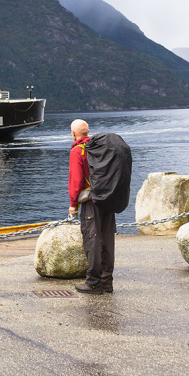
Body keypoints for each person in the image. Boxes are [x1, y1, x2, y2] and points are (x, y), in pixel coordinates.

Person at [69, 119, 115, 295]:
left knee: (92, 241)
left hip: (90, 202)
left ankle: (93, 282)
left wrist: (73, 204)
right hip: (108, 200)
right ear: (88, 132)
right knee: (107, 241)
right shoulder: (101, 148)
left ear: (74, 134)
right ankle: (106, 282)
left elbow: (76, 181)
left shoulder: (77, 151)